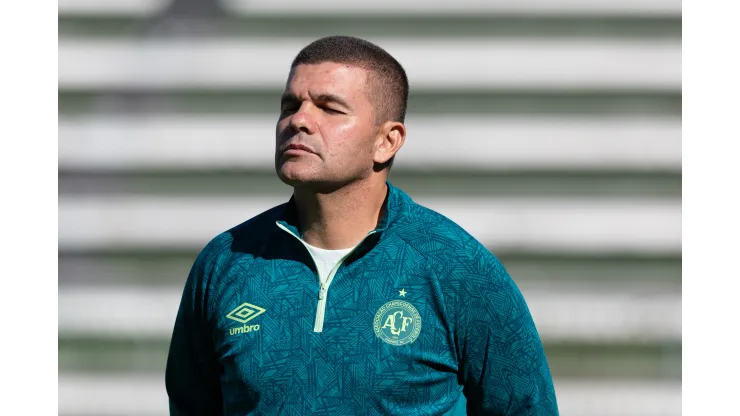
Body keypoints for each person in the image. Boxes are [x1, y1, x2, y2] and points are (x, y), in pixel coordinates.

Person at [165, 35, 559, 415]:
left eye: (329, 108)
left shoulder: (457, 268)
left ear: (387, 141)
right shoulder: (226, 261)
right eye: (290, 105)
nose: (299, 120)